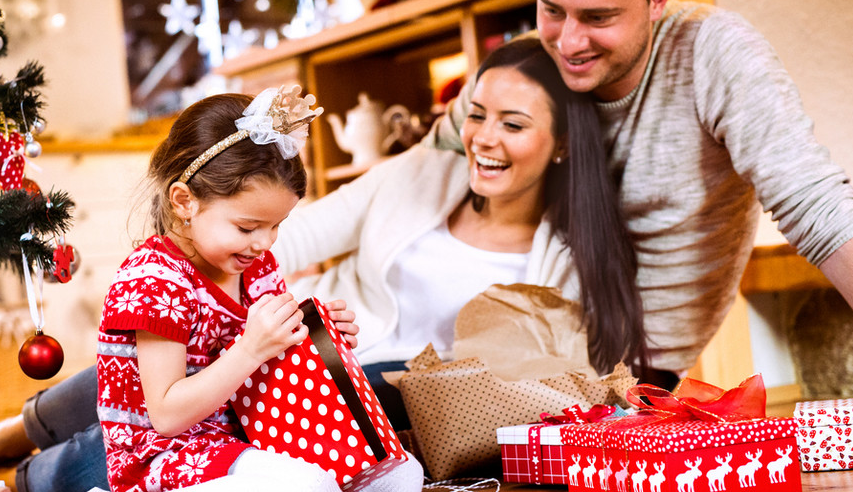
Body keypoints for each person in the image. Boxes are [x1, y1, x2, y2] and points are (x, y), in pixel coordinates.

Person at [429, 0, 853, 381]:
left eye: (597, 17)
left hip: (627, 387)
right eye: (551, 9)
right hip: (490, 354)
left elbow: (816, 205)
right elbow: (426, 168)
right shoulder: (526, 65)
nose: (567, 42)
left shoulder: (713, 53)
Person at [11, 88, 424, 492]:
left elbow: (272, 369)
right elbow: (167, 415)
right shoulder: (155, 281)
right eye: (248, 227)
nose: (264, 243)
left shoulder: (254, 264)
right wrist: (250, 349)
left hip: (246, 434)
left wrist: (316, 337)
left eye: (276, 227)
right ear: (185, 202)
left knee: (404, 481)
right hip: (168, 453)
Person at [272, 37, 646, 428]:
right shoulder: (421, 172)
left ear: (563, 144)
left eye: (513, 124)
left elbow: (566, 388)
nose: (483, 138)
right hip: (306, 364)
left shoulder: (570, 263)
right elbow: (287, 239)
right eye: (477, 115)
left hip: (419, 417)